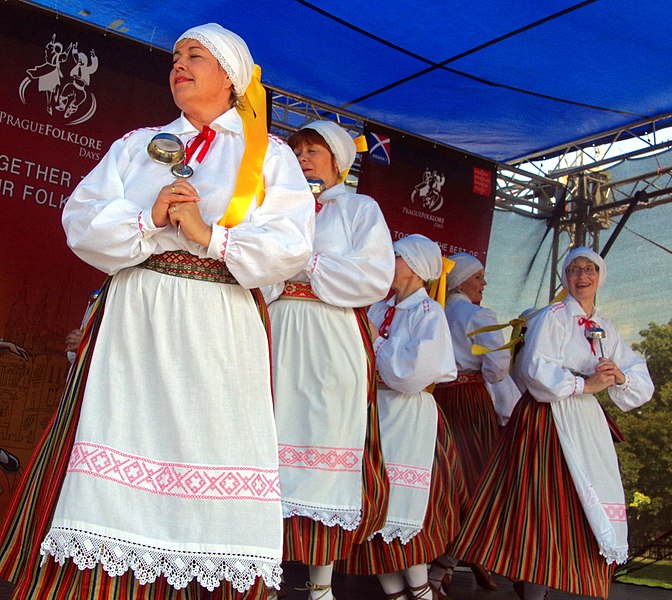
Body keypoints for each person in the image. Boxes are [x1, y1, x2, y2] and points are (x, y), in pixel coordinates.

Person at [0, 23, 314, 600]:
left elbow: (292, 244)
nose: (180, 64)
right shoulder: (136, 144)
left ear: (232, 79)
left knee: (210, 439)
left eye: (196, 56)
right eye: (175, 56)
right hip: (137, 315)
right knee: (120, 428)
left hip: (219, 320)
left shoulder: (266, 156)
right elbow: (82, 220)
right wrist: (149, 223)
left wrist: (210, 235)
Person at [450, 246, 654, 600]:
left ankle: (546, 587)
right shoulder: (553, 316)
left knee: (578, 506)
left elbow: (638, 377)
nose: (582, 277)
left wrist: (618, 376)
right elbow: (535, 368)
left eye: (589, 269)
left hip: (585, 421)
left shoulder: (605, 326)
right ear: (566, 277)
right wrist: (583, 383)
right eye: (575, 270)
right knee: (543, 507)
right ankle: (523, 590)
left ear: (599, 276)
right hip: (547, 419)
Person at [266, 120, 394, 600]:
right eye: (297, 150)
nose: (302, 157)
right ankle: (262, 572)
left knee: (326, 440)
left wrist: (308, 262)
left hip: (331, 332)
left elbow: (375, 277)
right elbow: (259, 267)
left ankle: (321, 584)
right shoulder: (281, 205)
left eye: (313, 150)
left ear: (339, 161)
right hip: (279, 328)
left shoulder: (361, 209)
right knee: (270, 434)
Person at [337, 234, 466, 600]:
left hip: (410, 419)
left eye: (396, 257)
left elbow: (410, 374)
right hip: (375, 413)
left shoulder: (430, 315)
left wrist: (377, 343)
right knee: (376, 504)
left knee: (404, 507)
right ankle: (399, 594)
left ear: (415, 266)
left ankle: (420, 590)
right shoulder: (379, 308)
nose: (388, 261)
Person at [429, 252, 519, 594]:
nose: (484, 283)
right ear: (463, 280)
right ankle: (447, 566)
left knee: (446, 481)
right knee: (478, 481)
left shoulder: (435, 310)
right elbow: (497, 368)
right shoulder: (477, 315)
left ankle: (441, 565)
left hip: (439, 399)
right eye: (479, 277)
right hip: (470, 400)